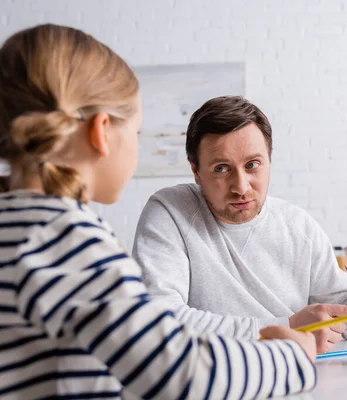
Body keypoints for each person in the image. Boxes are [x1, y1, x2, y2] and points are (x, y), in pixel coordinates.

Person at [0, 24, 317, 398]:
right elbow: (180, 374)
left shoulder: (19, 228)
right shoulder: (63, 239)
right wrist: (292, 358)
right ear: (101, 131)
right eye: (135, 133)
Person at [133, 96, 347, 353]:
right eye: (221, 169)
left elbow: (346, 318)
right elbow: (160, 321)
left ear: (269, 161)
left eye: (252, 165)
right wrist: (288, 329)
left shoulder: (299, 226)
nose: (241, 187)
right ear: (196, 172)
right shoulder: (170, 211)